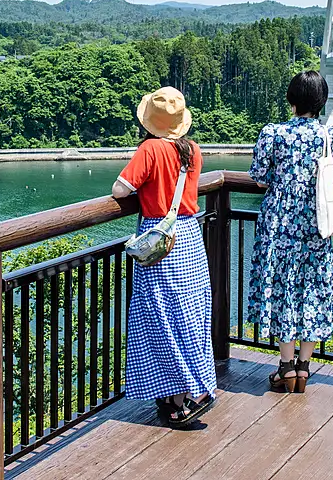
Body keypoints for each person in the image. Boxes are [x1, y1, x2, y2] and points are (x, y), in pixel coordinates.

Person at [112, 86, 216, 427]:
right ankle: (192, 388)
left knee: (162, 316)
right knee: (188, 313)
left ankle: (176, 399)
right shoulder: (193, 150)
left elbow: (120, 189)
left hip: (161, 239)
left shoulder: (150, 148)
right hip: (188, 236)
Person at [247, 70, 333, 393]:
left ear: (291, 100)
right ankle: (304, 368)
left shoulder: (273, 134)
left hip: (279, 227)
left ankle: (286, 367)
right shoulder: (330, 136)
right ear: (321, 102)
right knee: (312, 292)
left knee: (283, 290)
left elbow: (260, 177)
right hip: (316, 228)